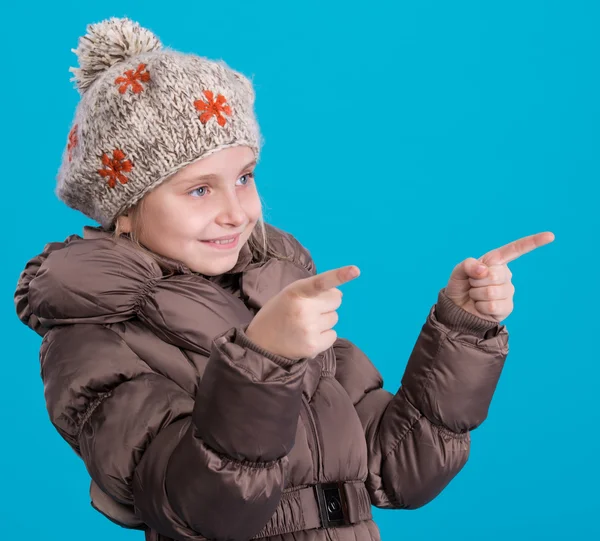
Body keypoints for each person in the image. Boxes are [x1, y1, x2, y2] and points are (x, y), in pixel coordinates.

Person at [14, 17, 554, 541]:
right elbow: (204, 506)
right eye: (200, 189)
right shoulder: (94, 335)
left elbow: (399, 470)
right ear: (125, 208)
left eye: (244, 177)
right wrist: (262, 361)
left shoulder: (276, 292)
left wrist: (462, 328)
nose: (236, 212)